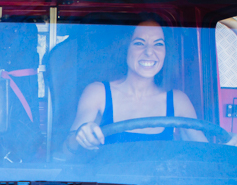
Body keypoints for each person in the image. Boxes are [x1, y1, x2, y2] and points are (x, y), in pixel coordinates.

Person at [64, 19, 207, 155]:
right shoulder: (98, 92)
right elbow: (66, 151)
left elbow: (205, 151)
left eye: (158, 44)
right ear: (126, 48)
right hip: (108, 180)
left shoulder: (177, 100)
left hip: (160, 181)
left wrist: (227, 147)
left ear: (166, 52)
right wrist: (80, 136)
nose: (149, 52)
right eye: (139, 43)